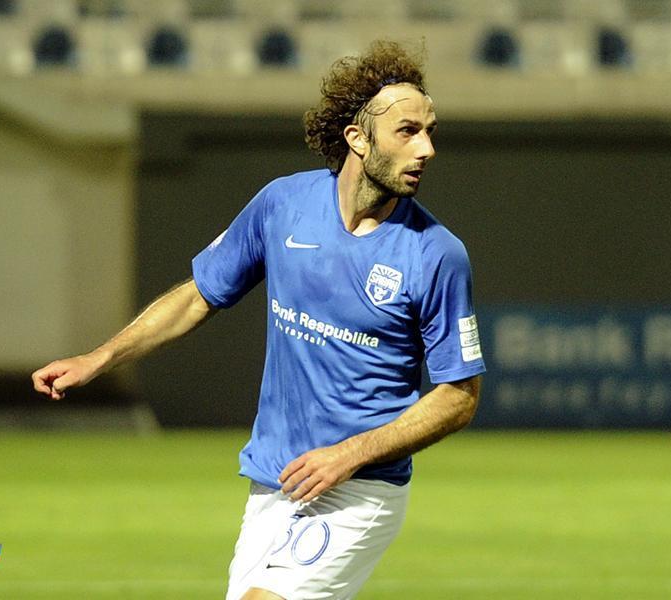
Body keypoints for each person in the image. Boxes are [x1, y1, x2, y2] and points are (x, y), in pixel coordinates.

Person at [32, 40, 485, 600]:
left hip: (359, 489)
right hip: (275, 481)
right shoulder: (282, 205)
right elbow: (197, 296)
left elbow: (459, 396)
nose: (427, 149)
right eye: (408, 131)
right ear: (358, 138)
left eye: (430, 131)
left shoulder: (437, 254)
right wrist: (99, 357)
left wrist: (351, 454)